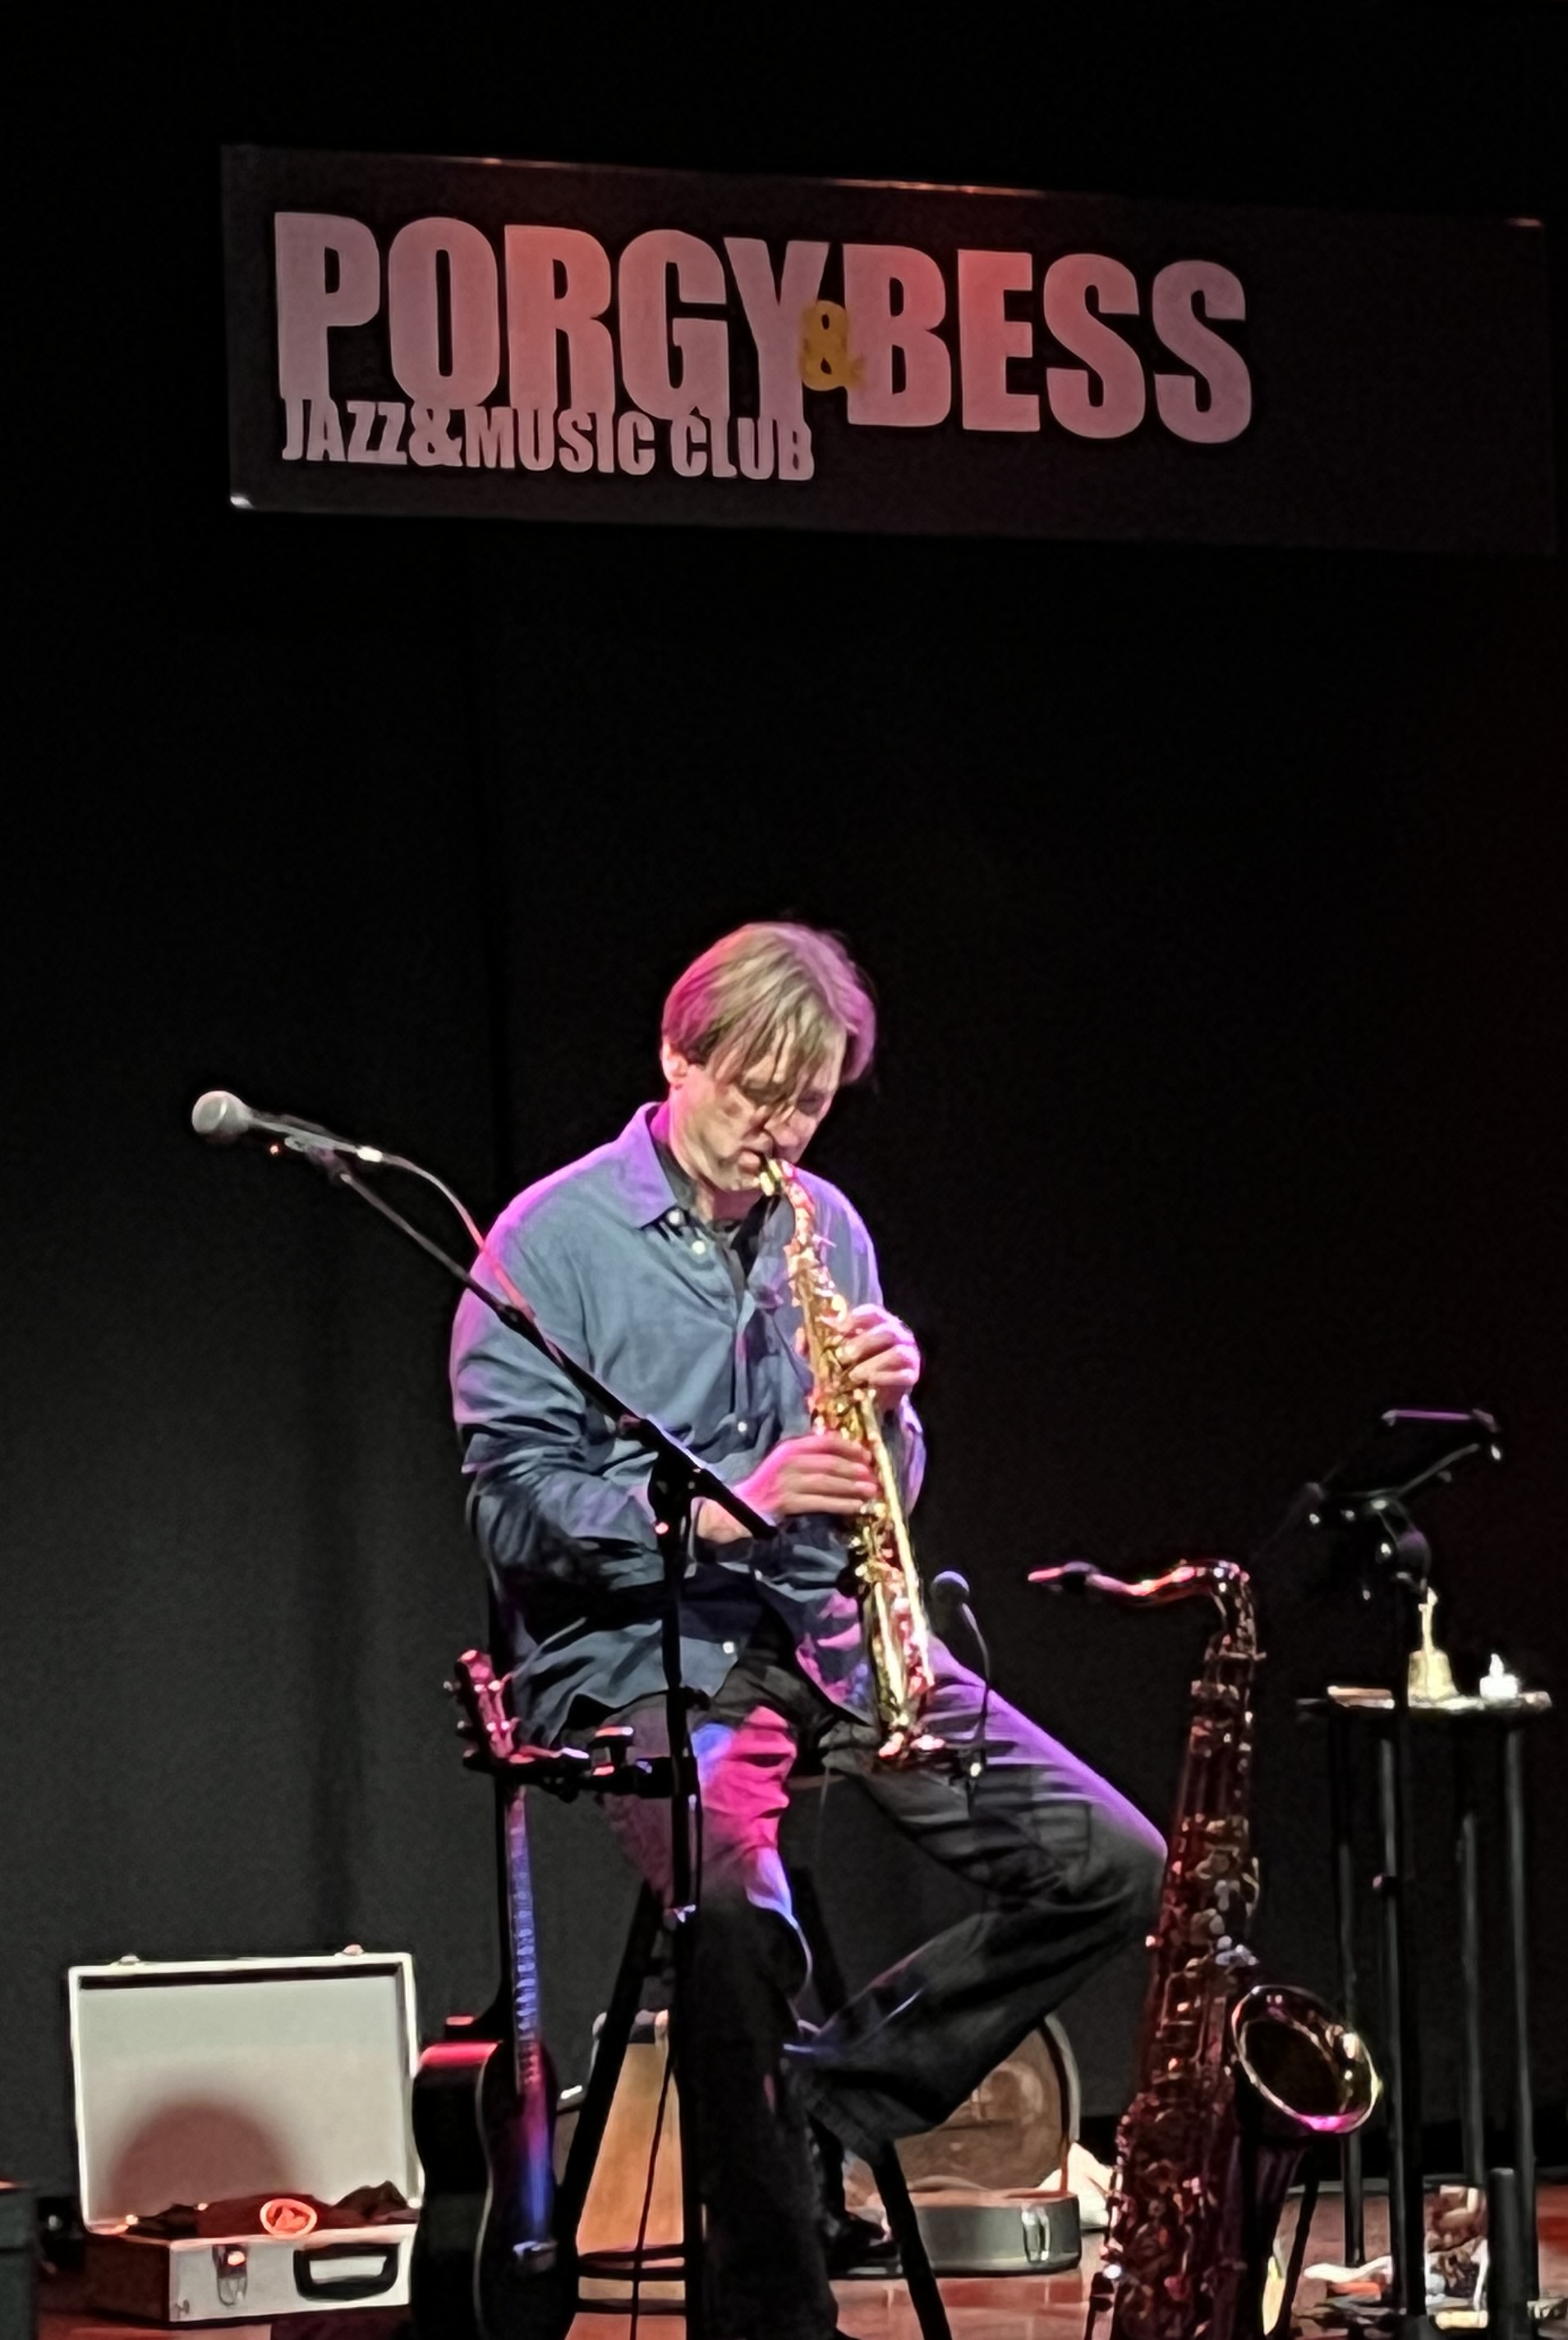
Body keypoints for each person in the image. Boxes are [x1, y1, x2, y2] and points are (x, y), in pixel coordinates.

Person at [452, 921, 1165, 2340]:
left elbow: (880, 1498)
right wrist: (729, 1512)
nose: (777, 1132)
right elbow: (512, 1514)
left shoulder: (826, 1226)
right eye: (753, 1092)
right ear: (678, 1057)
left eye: (810, 1103)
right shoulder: (549, 1241)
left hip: (832, 1642)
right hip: (642, 1657)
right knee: (733, 1921)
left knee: (1116, 1865)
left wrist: (892, 1415)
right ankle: (779, 2313)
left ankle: (817, 2097)